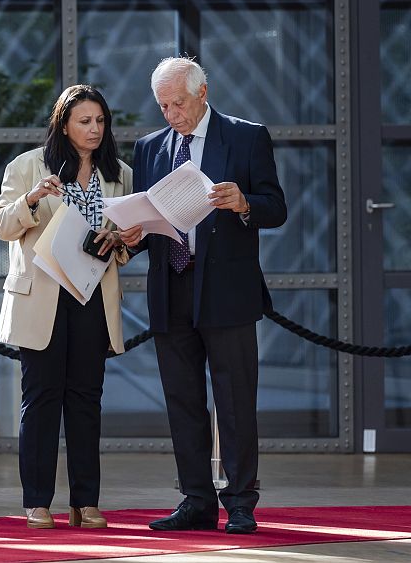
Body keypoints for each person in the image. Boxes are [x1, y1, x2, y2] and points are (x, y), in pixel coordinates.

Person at [120, 57, 286, 535]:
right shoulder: (151, 147)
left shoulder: (246, 136)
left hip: (226, 291)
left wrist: (244, 203)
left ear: (203, 92)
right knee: (183, 400)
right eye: (163, 106)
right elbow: (152, 214)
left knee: (235, 399)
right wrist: (135, 235)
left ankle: (240, 502)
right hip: (171, 287)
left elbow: (276, 207)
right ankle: (195, 500)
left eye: (179, 103)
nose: (172, 114)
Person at [0, 84, 141, 530]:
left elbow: (131, 239)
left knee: (86, 400)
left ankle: (85, 501)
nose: (94, 130)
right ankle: (37, 500)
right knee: (41, 399)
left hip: (92, 296)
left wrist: (126, 240)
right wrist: (32, 199)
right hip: (43, 297)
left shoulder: (120, 174)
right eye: (84, 121)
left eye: (100, 121)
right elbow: (1, 225)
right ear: (64, 124)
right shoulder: (26, 167)